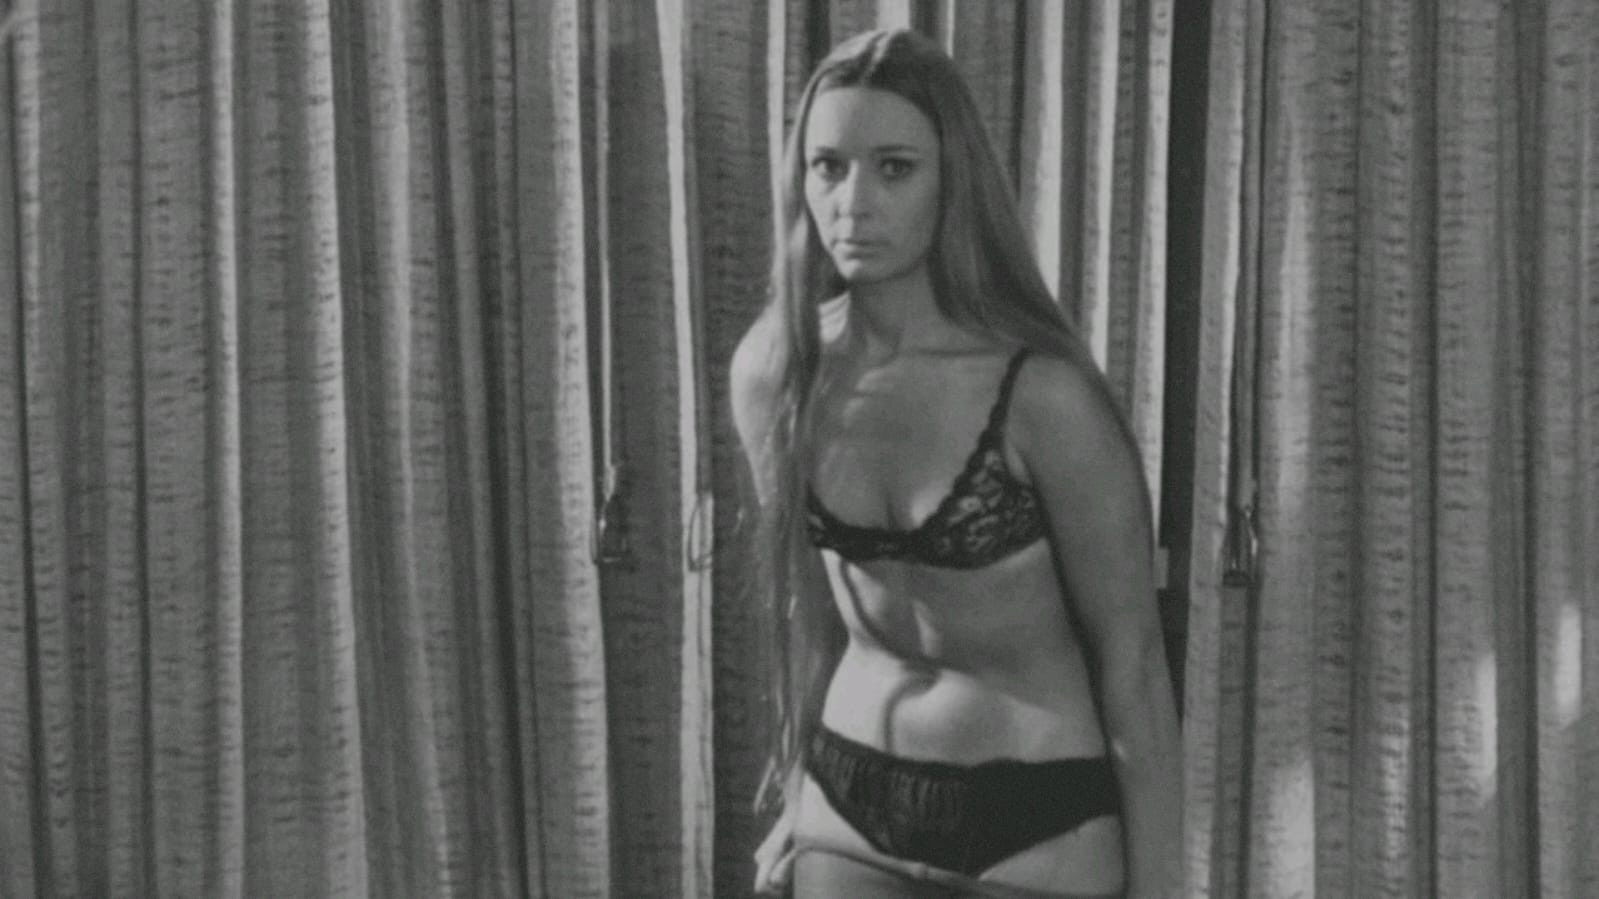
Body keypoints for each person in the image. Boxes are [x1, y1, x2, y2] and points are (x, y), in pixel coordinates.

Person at [729, 28, 1181, 899]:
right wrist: (793, 790)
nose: (852, 203)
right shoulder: (775, 373)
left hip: (1034, 817)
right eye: (828, 167)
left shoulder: (1043, 396)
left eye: (893, 168)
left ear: (952, 180)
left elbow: (1132, 662)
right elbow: (807, 612)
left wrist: (1161, 886)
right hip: (847, 800)